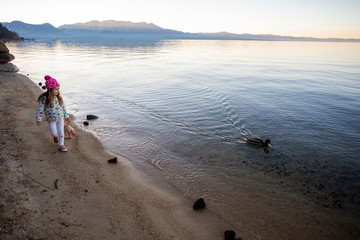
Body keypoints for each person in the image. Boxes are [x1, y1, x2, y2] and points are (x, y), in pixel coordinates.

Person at [36, 75, 70, 152]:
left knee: (61, 131)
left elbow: (63, 107)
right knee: (54, 132)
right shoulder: (44, 98)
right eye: (56, 89)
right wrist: (39, 119)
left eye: (58, 89)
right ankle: (55, 136)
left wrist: (66, 116)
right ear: (50, 89)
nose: (58, 91)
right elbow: (40, 109)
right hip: (51, 119)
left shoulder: (58, 97)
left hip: (60, 117)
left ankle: (61, 144)